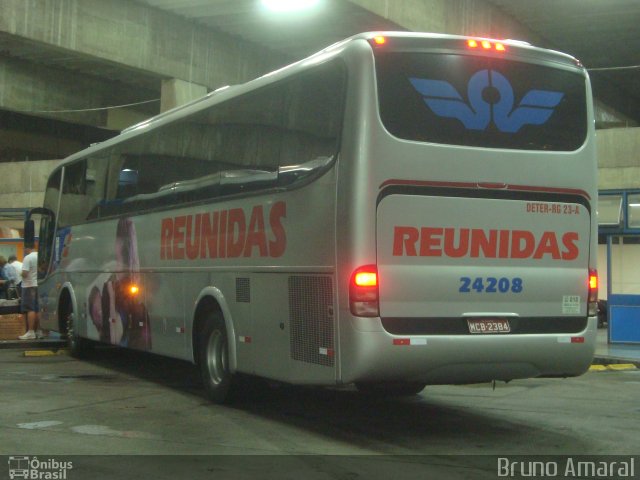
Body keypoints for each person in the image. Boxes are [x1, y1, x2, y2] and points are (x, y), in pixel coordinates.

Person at [18, 244, 42, 340]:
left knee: (30, 309)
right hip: (39, 284)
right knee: (38, 309)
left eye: (24, 248)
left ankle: (31, 331)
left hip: (29, 285)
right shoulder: (40, 256)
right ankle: (39, 331)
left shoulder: (28, 258)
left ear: (27, 248)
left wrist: (20, 274)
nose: (23, 250)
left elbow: (25, 273)